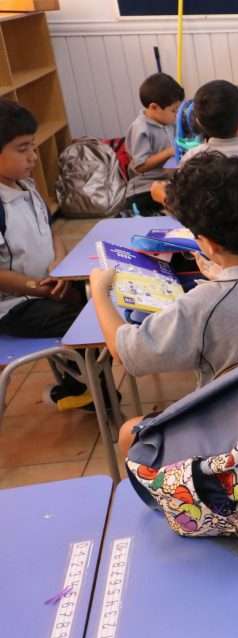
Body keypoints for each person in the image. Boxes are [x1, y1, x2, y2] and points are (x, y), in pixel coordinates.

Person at [87, 152, 238, 451]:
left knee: (128, 434)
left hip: (230, 435)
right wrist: (222, 274)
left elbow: (126, 352)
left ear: (207, 243)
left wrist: (100, 291)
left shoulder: (203, 305)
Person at [0, 100, 91, 410]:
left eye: (34, 146)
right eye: (22, 148)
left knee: (99, 296)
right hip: (14, 306)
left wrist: (60, 264)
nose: (33, 156)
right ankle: (85, 391)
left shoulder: (28, 187)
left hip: (47, 286)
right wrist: (37, 288)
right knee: (82, 323)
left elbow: (51, 234)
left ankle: (82, 385)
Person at [125, 73, 183, 217]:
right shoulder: (140, 128)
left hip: (168, 182)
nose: (176, 114)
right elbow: (140, 166)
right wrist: (169, 152)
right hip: (145, 187)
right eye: (173, 110)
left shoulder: (169, 122)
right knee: (147, 212)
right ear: (154, 107)